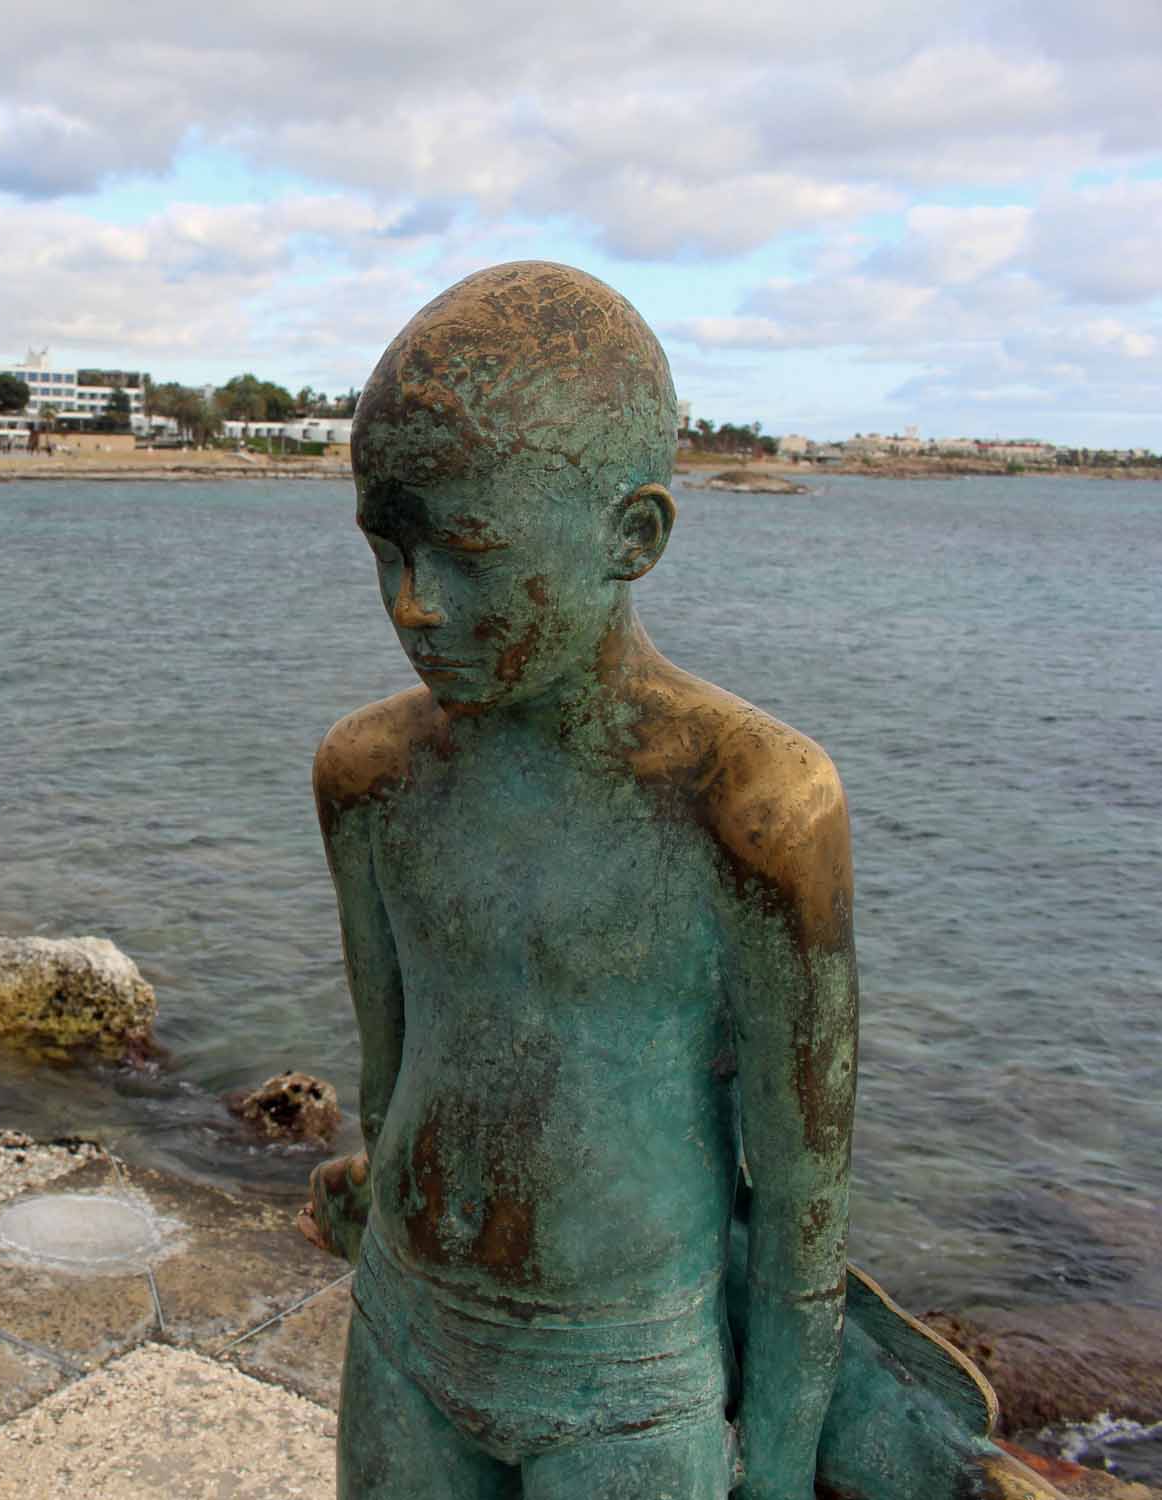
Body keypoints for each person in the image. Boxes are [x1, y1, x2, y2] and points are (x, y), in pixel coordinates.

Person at [302, 262, 1057, 1500]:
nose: (415, 605)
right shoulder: (371, 779)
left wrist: (778, 1462)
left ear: (633, 537)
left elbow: (804, 1206)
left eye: (468, 555)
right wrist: (367, 1184)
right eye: (387, 548)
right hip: (405, 1324)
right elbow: (393, 1067)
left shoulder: (753, 808)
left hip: (632, 1373)